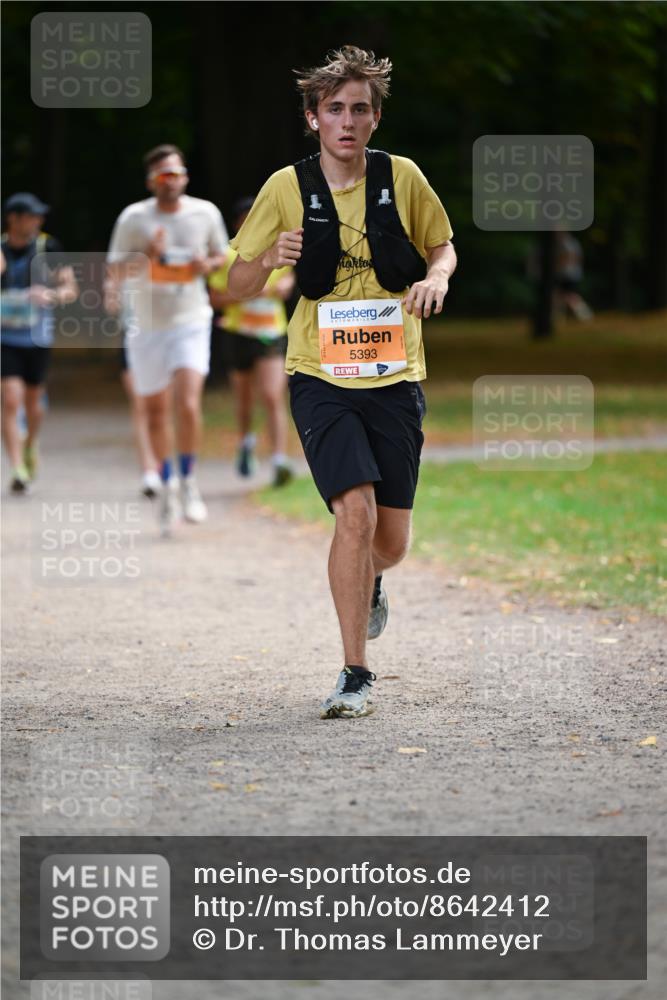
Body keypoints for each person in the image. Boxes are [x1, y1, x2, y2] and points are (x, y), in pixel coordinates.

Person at [228, 46, 456, 719]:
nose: (347, 121)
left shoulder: (403, 177)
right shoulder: (284, 188)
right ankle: (355, 671)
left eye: (360, 109)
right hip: (317, 373)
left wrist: (435, 277)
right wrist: (270, 257)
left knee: (390, 542)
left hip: (393, 374)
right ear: (312, 118)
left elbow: (441, 243)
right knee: (351, 514)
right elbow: (235, 281)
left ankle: (373, 579)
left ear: (375, 119)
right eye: (335, 109)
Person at [107, 144, 228, 535]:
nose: (170, 181)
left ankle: (190, 480)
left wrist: (203, 265)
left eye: (176, 173)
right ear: (151, 181)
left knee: (189, 403)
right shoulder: (134, 217)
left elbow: (221, 258)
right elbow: (114, 273)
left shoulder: (205, 213)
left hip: (190, 319)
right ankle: (168, 485)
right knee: (157, 412)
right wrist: (146, 254)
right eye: (163, 176)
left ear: (185, 177)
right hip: (145, 324)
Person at [209, 196, 295, 487]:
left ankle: (280, 459)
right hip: (237, 333)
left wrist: (285, 286)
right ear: (238, 225)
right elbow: (214, 299)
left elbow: (288, 281)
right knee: (244, 399)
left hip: (271, 333)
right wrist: (245, 293)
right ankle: (246, 442)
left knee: (272, 395)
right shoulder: (227, 257)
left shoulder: (278, 251)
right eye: (247, 218)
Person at [1, 193, 77, 492]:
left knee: (34, 402)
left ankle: (31, 442)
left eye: (39, 216)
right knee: (10, 398)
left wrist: (51, 295)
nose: (37, 221)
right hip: (4, 336)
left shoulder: (48, 247)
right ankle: (17, 467)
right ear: (13, 218)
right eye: (31, 216)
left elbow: (70, 288)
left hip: (37, 336)